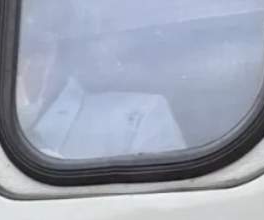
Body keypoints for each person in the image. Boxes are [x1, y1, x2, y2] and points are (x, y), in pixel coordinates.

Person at [16, 3, 187, 159]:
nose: (26, 62)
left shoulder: (141, 114)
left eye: (38, 49)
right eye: (26, 49)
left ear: (59, 52)